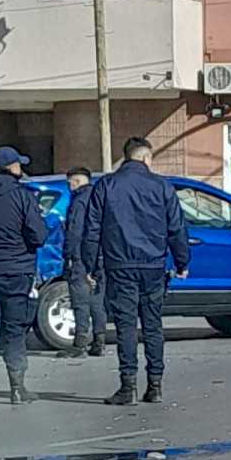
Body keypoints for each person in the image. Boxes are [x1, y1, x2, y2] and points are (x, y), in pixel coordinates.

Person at [82, 137, 190, 406]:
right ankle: (155, 386)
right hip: (153, 265)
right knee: (153, 325)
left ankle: (127, 386)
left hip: (119, 266)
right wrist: (182, 263)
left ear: (127, 157)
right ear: (145, 158)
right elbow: (176, 228)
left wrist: (90, 265)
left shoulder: (106, 185)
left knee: (126, 326)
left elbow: (91, 229)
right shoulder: (162, 187)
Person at [0, 147, 47, 404]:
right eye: (18, 164)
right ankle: (17, 388)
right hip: (17, 272)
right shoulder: (23, 197)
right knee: (15, 331)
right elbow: (39, 236)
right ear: (12, 167)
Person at [56, 167, 107, 359]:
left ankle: (80, 344)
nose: (69, 185)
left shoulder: (79, 201)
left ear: (76, 181)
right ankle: (99, 341)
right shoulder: (99, 198)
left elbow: (75, 231)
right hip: (100, 255)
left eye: (70, 182)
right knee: (97, 300)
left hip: (80, 256)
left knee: (80, 301)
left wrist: (68, 255)